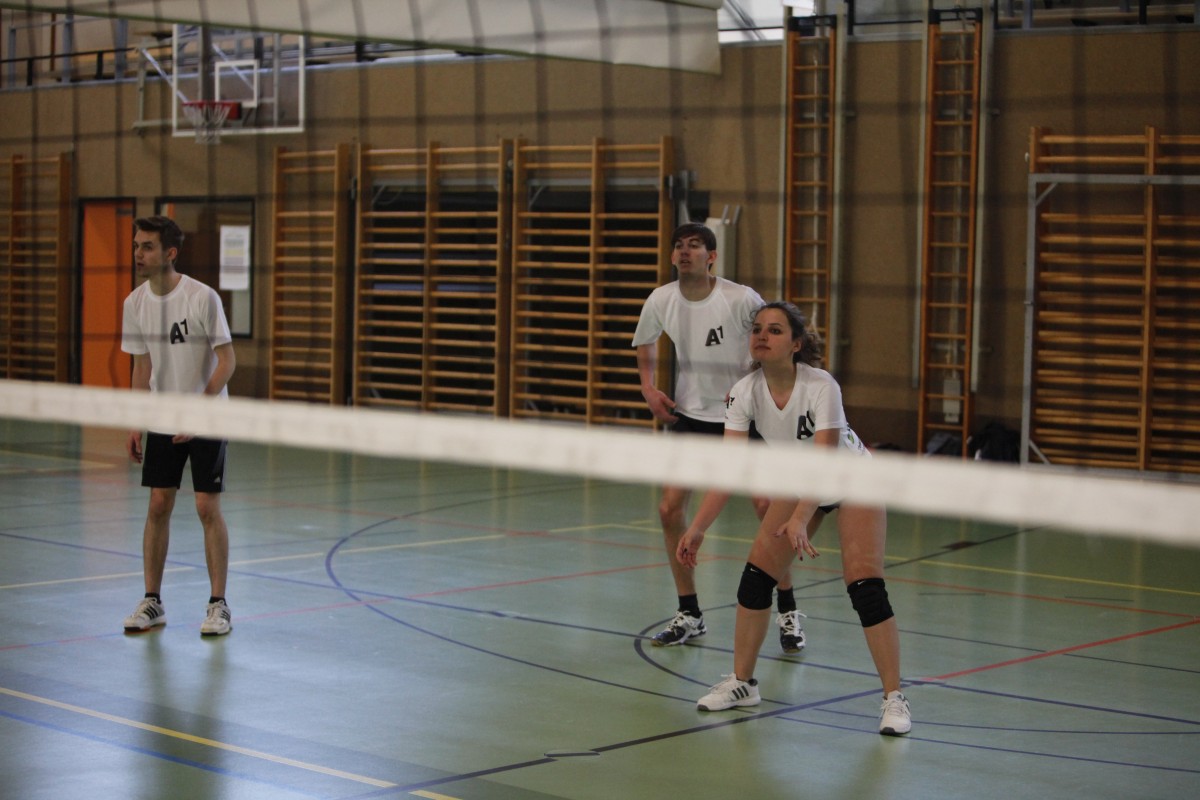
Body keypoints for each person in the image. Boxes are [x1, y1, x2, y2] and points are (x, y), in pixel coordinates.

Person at [676, 301, 911, 735]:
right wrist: (697, 527)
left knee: (865, 588)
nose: (762, 336)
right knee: (755, 579)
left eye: (775, 330)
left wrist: (801, 518)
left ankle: (894, 698)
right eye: (757, 329)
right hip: (802, 480)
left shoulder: (822, 386)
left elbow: (826, 461)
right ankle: (743, 683)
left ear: (796, 344)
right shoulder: (743, 392)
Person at [633, 223, 804, 653]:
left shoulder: (739, 298)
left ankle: (787, 609)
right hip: (692, 417)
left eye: (694, 246)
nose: (684, 252)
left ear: (711, 256)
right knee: (669, 509)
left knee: (767, 507)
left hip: (744, 416)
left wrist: (768, 391)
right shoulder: (661, 299)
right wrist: (648, 388)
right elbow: (645, 341)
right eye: (679, 246)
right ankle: (689, 612)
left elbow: (771, 336)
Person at [120, 215, 237, 637]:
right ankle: (152, 600)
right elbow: (141, 366)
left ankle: (218, 605)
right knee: (158, 504)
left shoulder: (202, 298)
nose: (139, 253)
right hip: (163, 418)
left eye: (147, 246)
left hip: (207, 415)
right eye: (137, 246)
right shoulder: (134, 304)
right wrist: (136, 420)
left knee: (206, 506)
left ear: (170, 253)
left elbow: (227, 361)